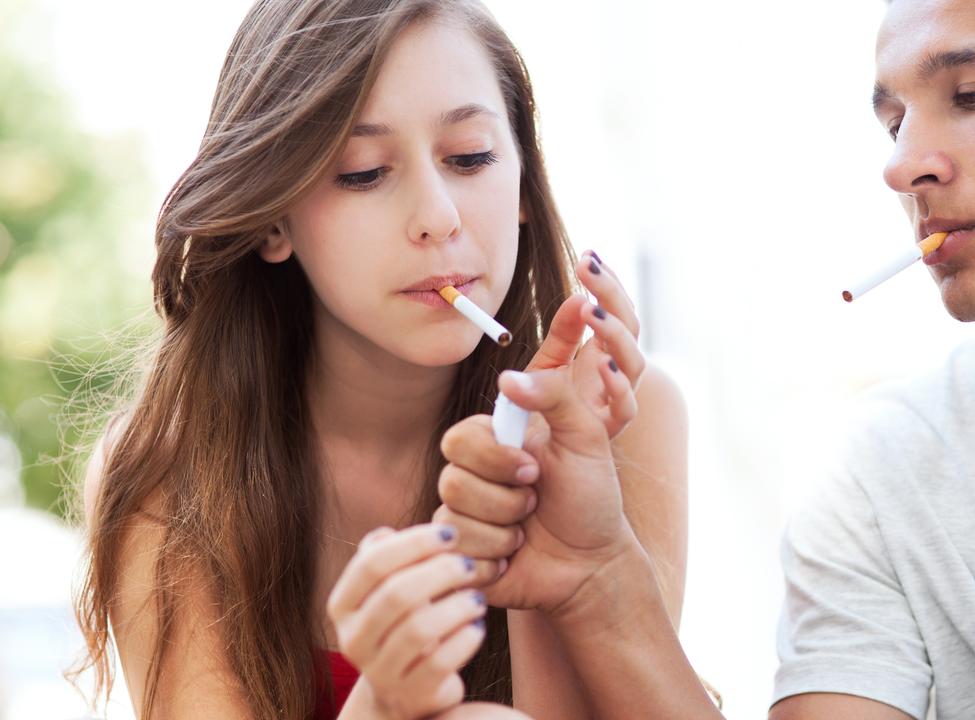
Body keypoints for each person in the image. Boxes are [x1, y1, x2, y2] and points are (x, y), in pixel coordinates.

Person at [442, 0, 975, 718]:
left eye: (972, 95)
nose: (901, 164)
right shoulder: (885, 475)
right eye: (895, 122)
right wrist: (597, 575)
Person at [71, 2, 687, 719]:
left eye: (469, 158)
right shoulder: (171, 469)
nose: (437, 215)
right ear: (273, 217)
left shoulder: (622, 417)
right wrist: (383, 707)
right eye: (363, 172)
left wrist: (548, 549)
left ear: (523, 181)